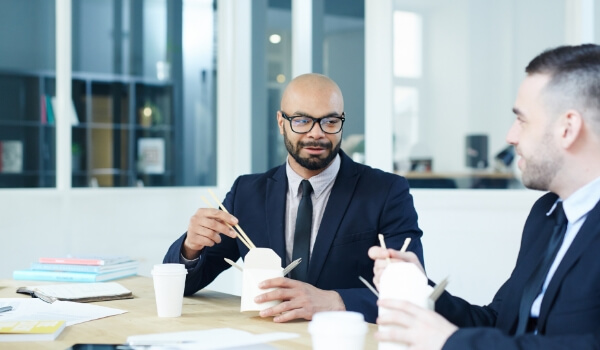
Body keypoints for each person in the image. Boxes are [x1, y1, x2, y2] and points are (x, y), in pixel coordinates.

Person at [369, 43, 600, 349]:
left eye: (523, 120)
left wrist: (450, 342)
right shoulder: (546, 216)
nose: (511, 136)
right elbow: (498, 322)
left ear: (567, 129)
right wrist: (418, 288)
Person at [164, 73, 424, 323]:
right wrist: (190, 248)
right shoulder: (247, 193)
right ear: (281, 122)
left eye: (330, 121)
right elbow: (184, 286)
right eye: (301, 120)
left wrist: (335, 301)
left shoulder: (386, 191)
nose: (316, 133)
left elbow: (413, 293)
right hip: (267, 338)